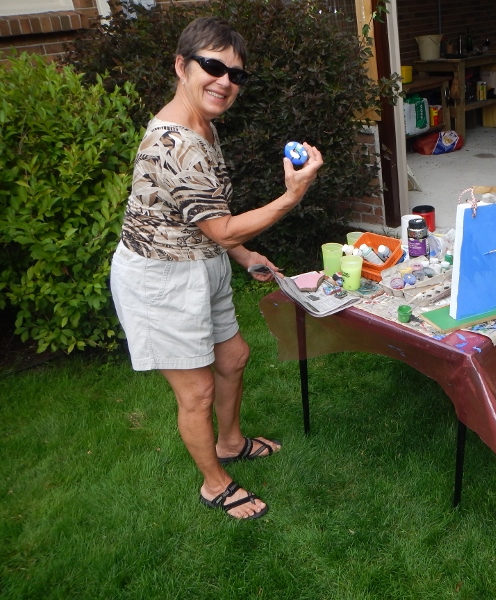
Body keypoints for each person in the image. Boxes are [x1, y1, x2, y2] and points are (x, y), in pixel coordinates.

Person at [110, 17, 323, 520]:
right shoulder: (175, 144)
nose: (225, 81)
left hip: (201, 262)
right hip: (160, 280)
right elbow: (223, 228)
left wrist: (244, 255)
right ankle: (215, 484)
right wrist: (291, 196)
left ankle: (230, 442)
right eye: (213, 66)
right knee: (197, 389)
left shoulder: (202, 125)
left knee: (233, 358)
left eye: (236, 75)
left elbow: (206, 224)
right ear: (181, 66)